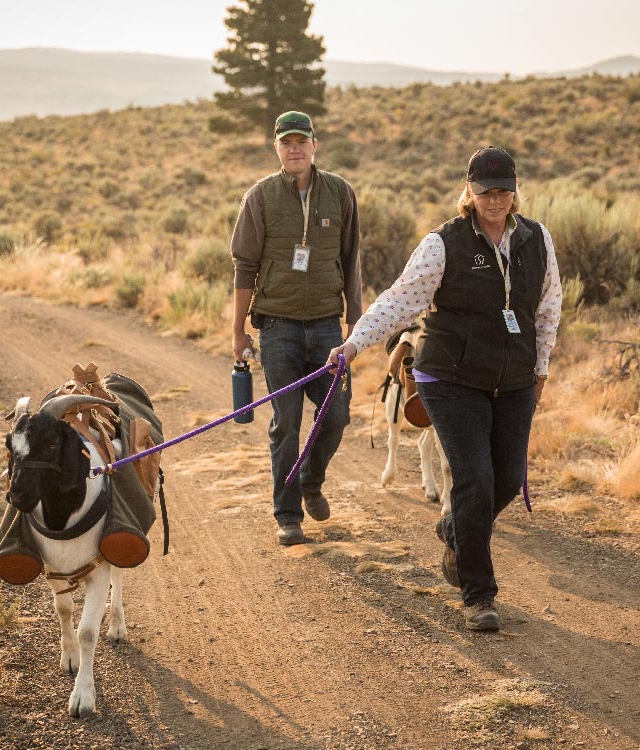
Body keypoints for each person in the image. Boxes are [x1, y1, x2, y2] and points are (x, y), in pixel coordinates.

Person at [327, 147, 561, 631]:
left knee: (506, 478)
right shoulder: (443, 244)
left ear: (515, 191)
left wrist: (539, 371)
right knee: (474, 477)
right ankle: (479, 595)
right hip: (451, 377)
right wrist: (353, 346)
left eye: (502, 192)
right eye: (484, 192)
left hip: (514, 378)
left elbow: (547, 309)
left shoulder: (537, 240)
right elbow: (399, 301)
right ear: (468, 191)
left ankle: (455, 530)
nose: (494, 201)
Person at [230, 110, 362, 546]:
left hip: (326, 325)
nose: (294, 149)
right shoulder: (260, 196)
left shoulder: (340, 192)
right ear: (277, 148)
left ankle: (311, 479)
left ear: (314, 144)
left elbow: (351, 259)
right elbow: (244, 267)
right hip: (279, 328)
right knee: (286, 422)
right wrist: (237, 330)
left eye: (301, 141)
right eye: (286, 142)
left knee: (337, 415)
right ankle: (288, 515)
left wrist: (354, 322)